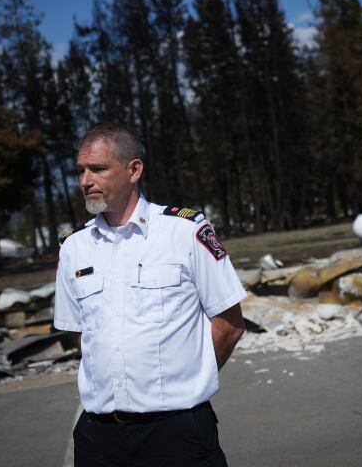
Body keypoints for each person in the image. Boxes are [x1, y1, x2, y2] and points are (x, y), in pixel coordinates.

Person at [53, 123, 247, 467]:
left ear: (134, 170)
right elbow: (79, 333)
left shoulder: (184, 232)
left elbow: (229, 323)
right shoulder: (73, 247)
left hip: (176, 432)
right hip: (99, 438)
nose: (85, 180)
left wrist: (189, 377)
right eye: (80, 170)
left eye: (97, 169)